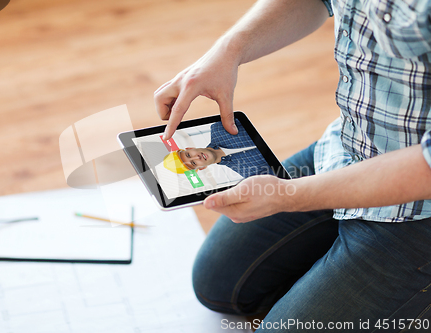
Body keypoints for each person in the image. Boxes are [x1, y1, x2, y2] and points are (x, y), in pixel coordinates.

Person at [154, 0, 431, 331]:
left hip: (418, 209)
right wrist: (229, 48)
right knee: (217, 283)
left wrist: (288, 195)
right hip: (346, 150)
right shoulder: (221, 143)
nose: (194, 157)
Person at [164, 120, 273, 177]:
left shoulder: (220, 128)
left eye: (188, 155)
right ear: (201, 168)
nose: (196, 157)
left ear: (190, 148)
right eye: (193, 163)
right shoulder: (248, 173)